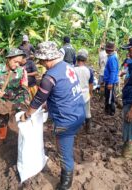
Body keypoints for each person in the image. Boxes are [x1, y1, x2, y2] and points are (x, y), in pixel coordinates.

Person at [20, 41, 85, 189]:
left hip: (65, 120)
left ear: (47, 59)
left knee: (64, 153)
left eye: (42, 60)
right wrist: (49, 104)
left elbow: (37, 99)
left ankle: (65, 184)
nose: (41, 63)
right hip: (78, 112)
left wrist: (27, 114)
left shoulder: (49, 77)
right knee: (68, 144)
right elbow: (63, 92)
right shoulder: (68, 66)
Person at [0, 48, 30, 141]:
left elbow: (24, 87)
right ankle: (2, 139)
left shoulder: (21, 71)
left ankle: (22, 138)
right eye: (15, 62)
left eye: (19, 62)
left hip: (18, 99)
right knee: (2, 120)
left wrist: (27, 100)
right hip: (4, 100)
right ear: (9, 59)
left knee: (23, 118)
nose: (17, 64)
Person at [74, 49, 94, 133]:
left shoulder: (73, 70)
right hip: (85, 93)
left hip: (75, 93)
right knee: (87, 111)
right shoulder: (89, 70)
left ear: (77, 60)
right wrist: (90, 92)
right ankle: (88, 129)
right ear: (85, 61)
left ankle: (75, 128)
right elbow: (91, 84)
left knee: (75, 111)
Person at [103, 42, 119, 116]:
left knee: (110, 97)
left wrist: (110, 83)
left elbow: (113, 71)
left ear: (108, 50)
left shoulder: (112, 58)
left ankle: (111, 112)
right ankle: (107, 110)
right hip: (109, 80)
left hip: (111, 82)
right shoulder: (111, 57)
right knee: (108, 96)